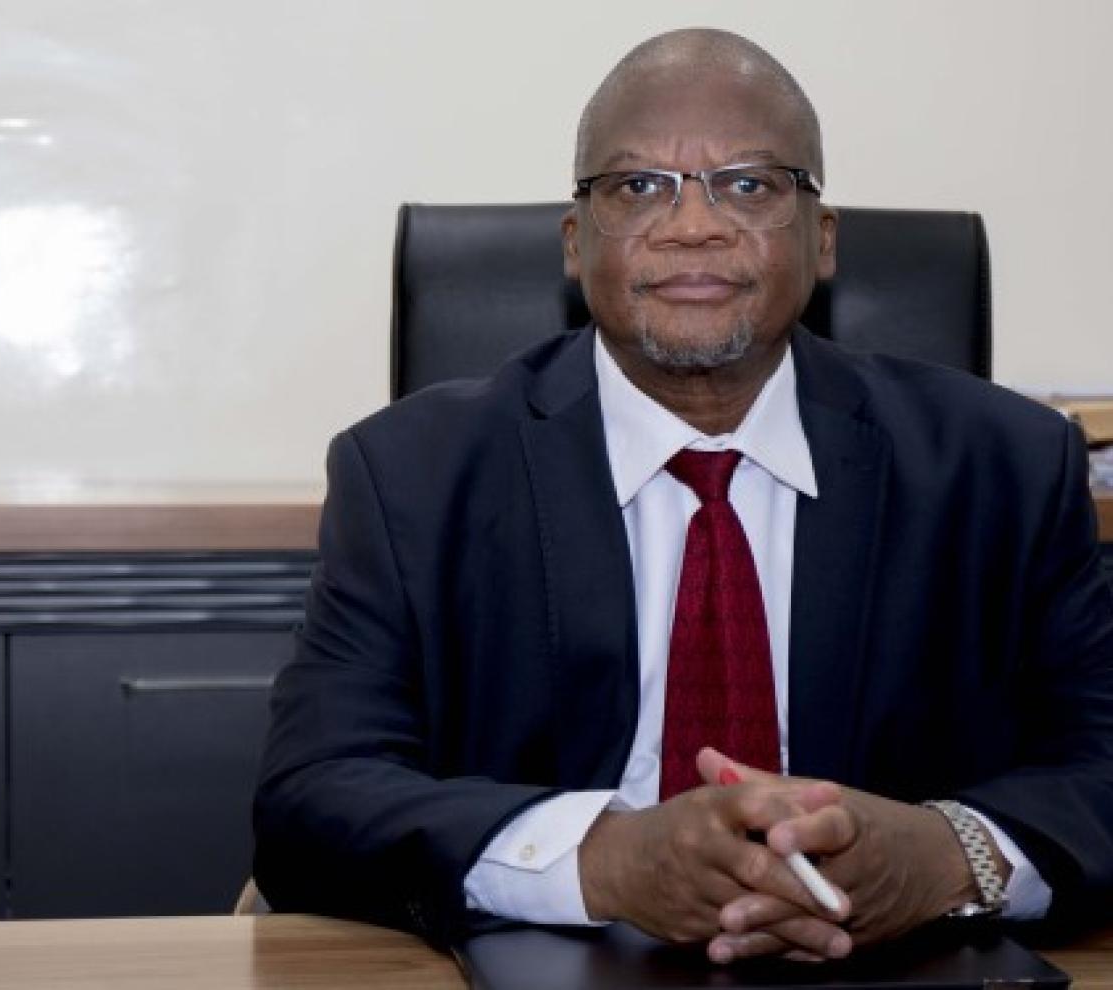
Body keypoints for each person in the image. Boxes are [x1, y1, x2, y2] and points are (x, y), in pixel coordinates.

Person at [252, 28, 1113, 963]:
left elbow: (1102, 765)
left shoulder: (1008, 467)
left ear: (822, 240)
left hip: (896, 964)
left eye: (749, 183)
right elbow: (313, 795)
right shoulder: (411, 475)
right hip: (538, 960)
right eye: (637, 187)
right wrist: (602, 859)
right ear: (576, 245)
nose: (693, 224)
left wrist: (948, 855)